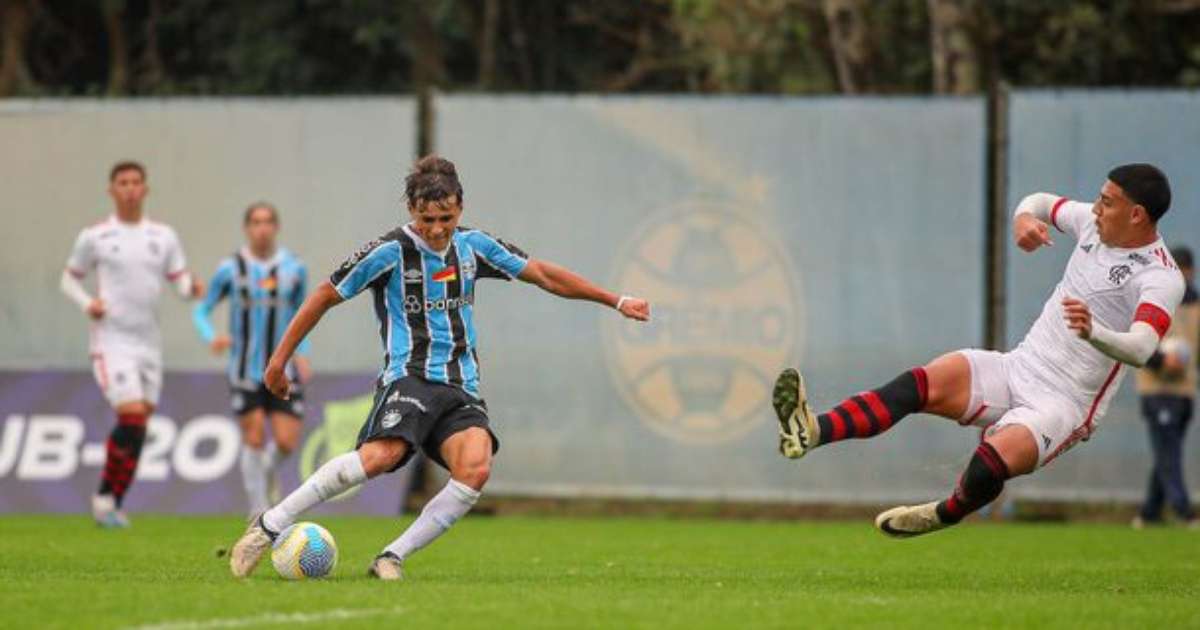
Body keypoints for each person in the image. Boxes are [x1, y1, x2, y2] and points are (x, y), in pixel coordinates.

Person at [228, 155, 651, 579]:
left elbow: (543, 274)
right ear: (412, 209)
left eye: (445, 218)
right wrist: (278, 362)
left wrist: (615, 300)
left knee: (476, 468)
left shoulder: (474, 246)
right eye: (426, 219)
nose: (436, 229)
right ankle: (269, 526)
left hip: (461, 385)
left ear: (460, 208)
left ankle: (390, 557)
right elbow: (324, 294)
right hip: (409, 376)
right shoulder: (390, 252)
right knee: (381, 456)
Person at [772, 163, 1183, 538]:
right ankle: (812, 431)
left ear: (1136, 215)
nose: (1095, 208)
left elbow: (1142, 347)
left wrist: (1094, 332)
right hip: (1019, 366)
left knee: (990, 463)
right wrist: (1024, 219)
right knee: (921, 383)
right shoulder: (1092, 225)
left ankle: (944, 513)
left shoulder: (1160, 276)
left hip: (1064, 403)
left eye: (1107, 202)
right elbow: (1040, 202)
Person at [60, 160, 203, 528]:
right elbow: (68, 279)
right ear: (112, 190)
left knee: (139, 426)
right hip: (112, 340)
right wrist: (87, 303)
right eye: (122, 182)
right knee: (133, 415)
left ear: (146, 189)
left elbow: (180, 282)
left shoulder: (163, 236)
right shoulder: (95, 236)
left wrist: (191, 288)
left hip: (148, 342)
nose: (130, 188)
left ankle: (112, 504)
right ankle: (104, 496)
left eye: (136, 182)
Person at [193, 202, 312, 518]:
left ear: (276, 227)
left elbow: (304, 314)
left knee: (286, 442)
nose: (262, 228)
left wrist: (303, 353)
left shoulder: (294, 269)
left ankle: (267, 472)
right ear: (247, 228)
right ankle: (258, 511)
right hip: (244, 370)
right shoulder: (230, 269)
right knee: (254, 436)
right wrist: (212, 336)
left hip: (283, 369)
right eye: (256, 222)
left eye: (267, 222)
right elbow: (202, 310)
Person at [1132, 245, 1199, 529]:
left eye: (1186, 269)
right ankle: (1184, 511)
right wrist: (1161, 361)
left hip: (1185, 391)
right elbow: (1137, 343)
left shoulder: (1196, 305)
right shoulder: (1152, 299)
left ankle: (1149, 512)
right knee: (1168, 452)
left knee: (1167, 453)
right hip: (1156, 389)